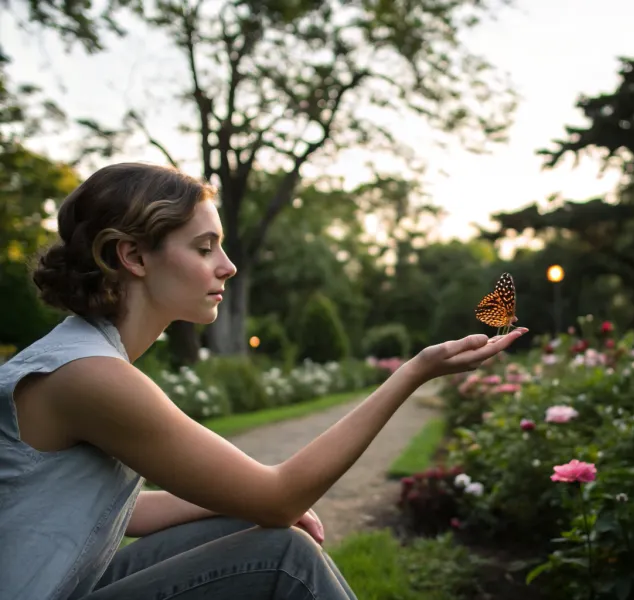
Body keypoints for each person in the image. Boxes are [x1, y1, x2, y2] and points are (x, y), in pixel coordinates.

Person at [0, 162, 527, 600]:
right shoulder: (88, 374)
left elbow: (117, 511)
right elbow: (278, 497)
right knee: (284, 556)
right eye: (205, 248)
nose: (226, 266)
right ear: (133, 256)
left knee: (256, 526)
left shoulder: (81, 358)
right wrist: (413, 372)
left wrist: (252, 505)